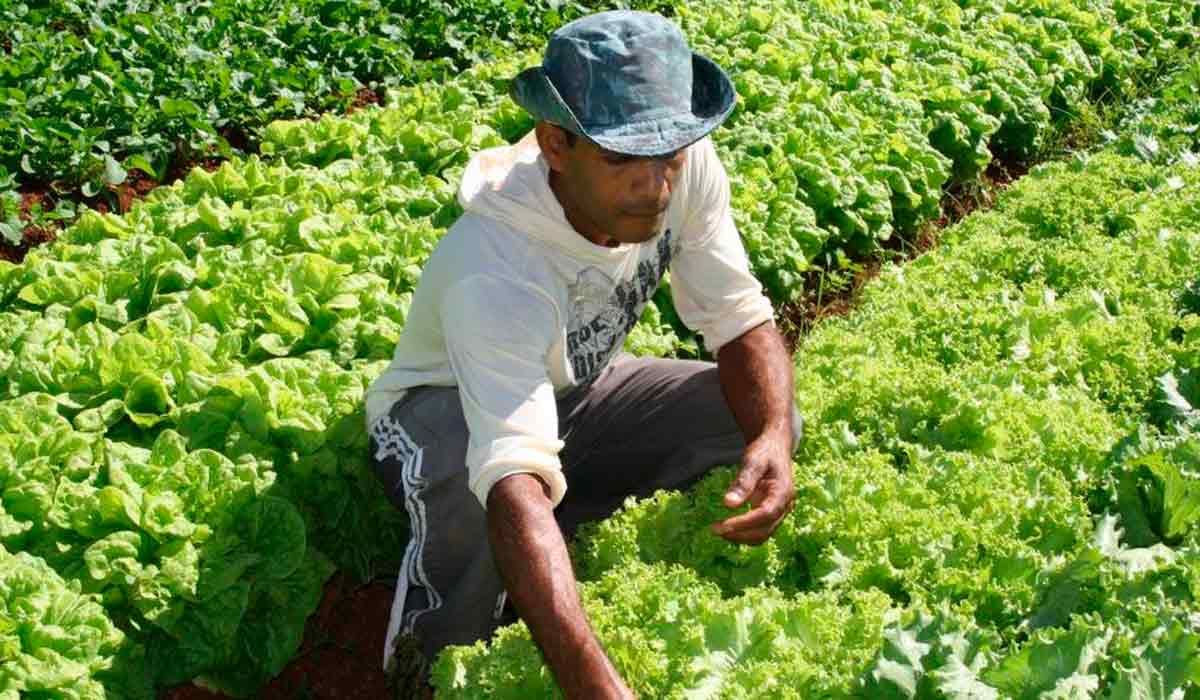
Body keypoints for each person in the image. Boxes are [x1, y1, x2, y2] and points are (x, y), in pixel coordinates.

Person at [365, 10, 802, 698]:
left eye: (668, 155)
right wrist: (594, 684)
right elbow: (510, 470)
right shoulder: (497, 264)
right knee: (481, 495)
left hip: (579, 391)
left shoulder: (681, 171)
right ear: (555, 144)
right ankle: (433, 668)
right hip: (440, 415)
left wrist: (774, 435)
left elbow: (739, 316)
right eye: (621, 158)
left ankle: (547, 544)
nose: (653, 184)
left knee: (752, 417)